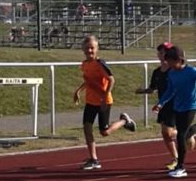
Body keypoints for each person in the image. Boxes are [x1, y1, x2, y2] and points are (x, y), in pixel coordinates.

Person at [154, 46, 196, 178]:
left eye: (171, 61)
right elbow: (170, 90)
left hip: (190, 106)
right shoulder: (171, 73)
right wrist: (160, 103)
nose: (169, 64)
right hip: (178, 106)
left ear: (179, 60)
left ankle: (181, 167)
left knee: (181, 136)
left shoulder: (191, 71)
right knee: (183, 135)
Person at [73, 35, 136, 170]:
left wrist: (104, 97)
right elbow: (88, 80)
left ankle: (124, 121)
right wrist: (78, 91)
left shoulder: (100, 63)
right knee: (87, 127)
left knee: (104, 132)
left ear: (97, 49)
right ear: (83, 49)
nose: (90, 51)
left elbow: (112, 80)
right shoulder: (84, 64)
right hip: (91, 101)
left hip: (104, 101)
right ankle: (94, 159)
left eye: (92, 48)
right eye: (87, 48)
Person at [136, 42, 180, 169]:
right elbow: (152, 88)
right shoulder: (157, 72)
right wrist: (142, 91)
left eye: (164, 52)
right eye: (160, 52)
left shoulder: (174, 71)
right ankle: (176, 158)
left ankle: (185, 132)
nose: (162, 54)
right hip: (162, 105)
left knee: (168, 132)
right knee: (165, 134)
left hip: (175, 104)